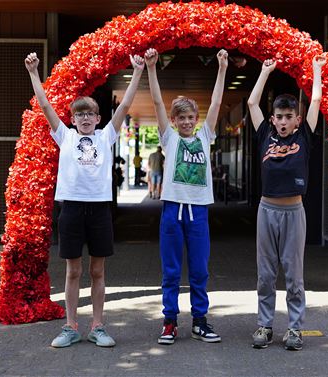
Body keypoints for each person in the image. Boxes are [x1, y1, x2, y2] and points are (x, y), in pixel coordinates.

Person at [24, 52, 144, 348]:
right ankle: (70, 326)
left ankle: (98, 326)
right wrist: (34, 72)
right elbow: (44, 105)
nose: (86, 118)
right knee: (73, 270)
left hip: (100, 210)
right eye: (80, 114)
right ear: (73, 118)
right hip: (72, 209)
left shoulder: (106, 137)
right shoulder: (64, 136)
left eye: (90, 113)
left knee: (98, 270)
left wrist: (138, 71)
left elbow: (126, 104)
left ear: (98, 118)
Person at [144, 47, 228, 345]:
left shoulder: (205, 137)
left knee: (200, 270)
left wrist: (221, 69)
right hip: (172, 211)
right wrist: (152, 69)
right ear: (174, 120)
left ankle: (200, 321)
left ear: (197, 118)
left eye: (191, 117)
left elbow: (217, 102)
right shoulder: (169, 139)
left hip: (199, 212)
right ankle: (169, 322)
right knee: (170, 270)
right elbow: (155, 101)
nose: (187, 122)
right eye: (181, 118)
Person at [247, 53, 326, 351]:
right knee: (266, 274)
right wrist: (265, 72)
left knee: (294, 274)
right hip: (267, 211)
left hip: (294, 212)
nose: (282, 122)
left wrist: (316, 70)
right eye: (278, 117)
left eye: (287, 117)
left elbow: (316, 101)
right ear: (273, 119)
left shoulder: (304, 136)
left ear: (296, 119)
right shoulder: (265, 135)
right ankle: (264, 326)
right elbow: (252, 103)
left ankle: (294, 329)